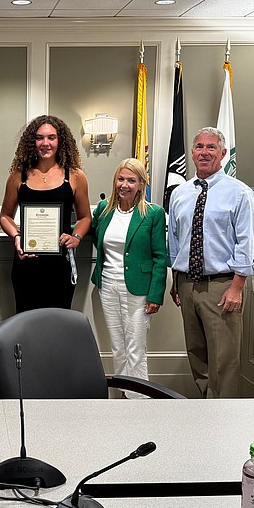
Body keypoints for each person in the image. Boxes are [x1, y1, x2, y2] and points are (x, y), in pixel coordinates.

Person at [168, 127, 254, 398]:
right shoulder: (180, 194)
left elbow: (246, 243)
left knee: (223, 361)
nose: (204, 152)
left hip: (221, 285)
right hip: (186, 284)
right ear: (192, 153)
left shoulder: (239, 193)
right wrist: (175, 280)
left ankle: (223, 420)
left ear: (222, 153)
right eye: (199, 147)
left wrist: (237, 287)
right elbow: (175, 239)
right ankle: (205, 412)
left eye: (210, 147)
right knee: (197, 356)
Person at [90, 159, 167, 394]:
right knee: (118, 347)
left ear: (141, 184)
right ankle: (123, 397)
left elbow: (160, 257)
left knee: (136, 348)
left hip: (139, 289)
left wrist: (156, 295)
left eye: (131, 180)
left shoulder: (153, 213)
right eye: (121, 179)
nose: (125, 185)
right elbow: (93, 236)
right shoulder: (103, 210)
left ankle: (141, 400)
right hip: (108, 285)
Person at [0, 115, 91, 313]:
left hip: (60, 266)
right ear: (32, 142)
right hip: (27, 264)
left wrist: (76, 237)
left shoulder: (75, 176)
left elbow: (85, 217)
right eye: (40, 138)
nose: (45, 143)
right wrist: (16, 236)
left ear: (60, 141)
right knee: (26, 323)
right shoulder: (18, 175)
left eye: (51, 137)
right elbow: (5, 216)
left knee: (57, 324)